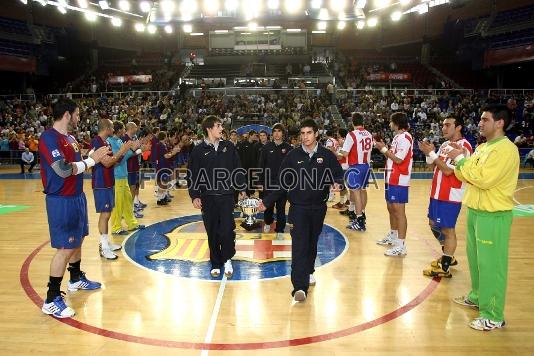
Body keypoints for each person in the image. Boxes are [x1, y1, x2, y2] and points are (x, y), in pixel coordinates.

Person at [447, 104, 519, 331]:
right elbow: (464, 175)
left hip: (493, 214)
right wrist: (462, 163)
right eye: (480, 119)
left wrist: (461, 161)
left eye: (485, 119)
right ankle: (478, 296)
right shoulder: (482, 148)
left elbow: (483, 178)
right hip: (476, 211)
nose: (480, 123)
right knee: (477, 261)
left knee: (492, 266)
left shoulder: (505, 150)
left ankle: (494, 315)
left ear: (499, 123)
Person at [258, 119, 344, 302]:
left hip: (319, 208)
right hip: (298, 209)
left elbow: (338, 173)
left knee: (312, 243)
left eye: (309, 133)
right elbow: (282, 183)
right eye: (302, 133)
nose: (305, 137)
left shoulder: (326, 155)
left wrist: (338, 182)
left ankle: (309, 270)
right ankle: (299, 286)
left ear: (316, 134)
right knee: (299, 246)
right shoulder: (292, 155)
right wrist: (267, 201)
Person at [39, 98, 109, 318]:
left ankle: (76, 278)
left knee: (77, 240)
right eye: (77, 114)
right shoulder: (49, 137)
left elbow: (77, 166)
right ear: (67, 115)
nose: (79, 118)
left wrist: (92, 157)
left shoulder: (70, 138)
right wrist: (92, 161)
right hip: (61, 199)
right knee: (65, 248)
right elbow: (62, 169)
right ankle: (51, 299)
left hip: (77, 197)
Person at [187, 116, 247, 278]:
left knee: (227, 231)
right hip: (208, 198)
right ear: (209, 129)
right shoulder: (198, 151)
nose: (222, 128)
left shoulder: (228, 147)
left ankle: (227, 258)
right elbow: (192, 175)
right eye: (218, 125)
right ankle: (215, 262)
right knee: (212, 231)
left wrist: (241, 188)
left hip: (227, 197)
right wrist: (194, 195)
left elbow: (237, 169)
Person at [418, 115, 473, 277]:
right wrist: (429, 152)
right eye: (443, 125)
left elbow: (449, 171)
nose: (443, 128)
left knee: (448, 230)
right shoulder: (444, 144)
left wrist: (433, 154)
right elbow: (431, 163)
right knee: (433, 224)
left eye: (447, 125)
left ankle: (445, 267)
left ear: (458, 127)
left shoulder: (464, 146)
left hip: (450, 195)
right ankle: (448, 256)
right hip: (437, 192)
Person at [90, 119, 131, 260]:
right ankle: (104, 247)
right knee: (105, 214)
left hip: (108, 182)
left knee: (107, 213)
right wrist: (121, 151)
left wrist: (123, 152)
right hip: (101, 183)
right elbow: (107, 163)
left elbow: (113, 161)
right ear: (107, 128)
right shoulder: (97, 141)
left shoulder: (105, 142)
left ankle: (106, 242)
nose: (114, 129)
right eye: (112, 127)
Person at [375, 112, 413, 257]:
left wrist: (383, 149)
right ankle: (393, 235)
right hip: (391, 176)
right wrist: (384, 148)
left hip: (399, 179)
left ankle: (401, 245)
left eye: (391, 121)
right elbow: (392, 156)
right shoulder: (398, 137)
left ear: (396, 123)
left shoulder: (405, 137)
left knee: (399, 211)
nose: (389, 124)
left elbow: (398, 159)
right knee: (391, 208)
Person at [107, 121, 144, 235]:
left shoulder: (118, 140)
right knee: (118, 204)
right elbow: (118, 160)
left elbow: (124, 157)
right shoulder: (110, 142)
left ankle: (132, 224)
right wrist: (132, 150)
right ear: (118, 130)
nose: (124, 130)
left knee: (127, 201)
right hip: (117, 176)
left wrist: (133, 149)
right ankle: (116, 227)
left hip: (123, 175)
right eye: (123, 128)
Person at [258, 123, 292, 239]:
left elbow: (292, 168)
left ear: (283, 133)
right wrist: (260, 183)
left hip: (282, 185)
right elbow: (261, 166)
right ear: (272, 134)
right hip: (268, 183)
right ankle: (268, 222)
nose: (277, 133)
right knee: (268, 206)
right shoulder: (266, 147)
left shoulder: (289, 148)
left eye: (279, 131)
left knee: (281, 208)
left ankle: (280, 229)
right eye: (275, 131)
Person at [339, 112, 373, 231]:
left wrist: (342, 147)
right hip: (366, 166)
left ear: (352, 122)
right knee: (363, 191)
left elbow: (345, 153)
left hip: (355, 167)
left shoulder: (352, 134)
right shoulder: (369, 134)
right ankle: (362, 213)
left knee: (356, 193)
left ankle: (359, 220)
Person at [122, 121, 148, 215]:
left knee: (133, 188)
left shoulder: (132, 138)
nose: (137, 129)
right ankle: (129, 211)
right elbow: (126, 154)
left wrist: (141, 147)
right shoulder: (125, 138)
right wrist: (140, 150)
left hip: (134, 166)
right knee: (130, 189)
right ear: (131, 128)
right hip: (129, 167)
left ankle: (131, 209)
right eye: (136, 127)